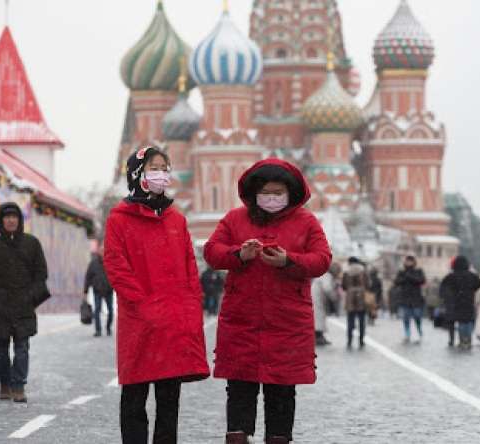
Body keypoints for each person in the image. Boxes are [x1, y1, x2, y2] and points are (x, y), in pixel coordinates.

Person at [203, 158, 332, 444]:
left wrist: (289, 260)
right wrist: (239, 255)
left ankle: (278, 438)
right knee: (239, 387)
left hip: (287, 322)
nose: (271, 198)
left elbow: (322, 259)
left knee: (282, 390)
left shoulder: (306, 221)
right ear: (254, 193)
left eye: (278, 193)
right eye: (266, 192)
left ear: (290, 193)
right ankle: (237, 437)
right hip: (242, 320)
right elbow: (212, 252)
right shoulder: (235, 219)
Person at [104, 146, 209, 444]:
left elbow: (190, 265)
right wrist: (143, 303)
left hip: (173, 320)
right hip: (141, 320)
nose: (162, 173)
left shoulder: (176, 219)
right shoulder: (119, 219)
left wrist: (191, 303)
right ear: (138, 173)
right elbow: (116, 265)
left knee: (169, 398)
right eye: (154, 167)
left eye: (165, 167)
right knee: (135, 395)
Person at [0, 202, 50, 403]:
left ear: (20, 220)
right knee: (0, 350)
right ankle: (4, 383)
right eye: (6, 217)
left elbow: (41, 274)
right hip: (0, 306)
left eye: (14, 217)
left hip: (24, 305)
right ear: (0, 221)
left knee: (22, 347)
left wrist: (31, 297)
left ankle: (18, 386)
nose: (10, 220)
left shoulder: (31, 244)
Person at [439, 256, 480, 349]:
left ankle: (463, 340)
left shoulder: (451, 276)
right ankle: (468, 339)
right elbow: (479, 283)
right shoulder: (471, 275)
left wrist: (448, 296)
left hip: (457, 302)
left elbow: (443, 287)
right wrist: (472, 289)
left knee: (461, 322)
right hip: (469, 301)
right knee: (469, 321)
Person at [394, 256, 426, 343]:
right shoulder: (402, 272)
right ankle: (407, 334)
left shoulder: (418, 271)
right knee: (406, 317)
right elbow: (396, 282)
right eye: (407, 261)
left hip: (416, 298)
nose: (409, 263)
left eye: (410, 261)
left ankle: (419, 333)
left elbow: (422, 280)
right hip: (405, 298)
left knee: (417, 316)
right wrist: (405, 278)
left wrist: (410, 277)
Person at [83, 243, 114, 337]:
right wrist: (85, 291)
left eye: (104, 250)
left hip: (109, 290)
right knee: (97, 311)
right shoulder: (93, 263)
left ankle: (108, 327)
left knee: (110, 311)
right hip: (98, 290)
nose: (103, 252)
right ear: (98, 252)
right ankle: (98, 330)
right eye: (101, 250)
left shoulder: (111, 262)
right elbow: (88, 277)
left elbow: (116, 275)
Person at [342, 257, 369, 349]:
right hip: (361, 296)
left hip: (350, 298)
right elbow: (368, 284)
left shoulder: (346, 272)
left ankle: (349, 340)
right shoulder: (363, 271)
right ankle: (361, 340)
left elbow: (344, 286)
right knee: (362, 321)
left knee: (350, 321)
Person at [311, 263, 338, 346]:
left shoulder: (323, 275)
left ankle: (319, 335)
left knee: (319, 315)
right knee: (319, 316)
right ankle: (318, 336)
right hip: (317, 298)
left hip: (316, 296)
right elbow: (327, 288)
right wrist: (334, 297)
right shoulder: (327, 276)